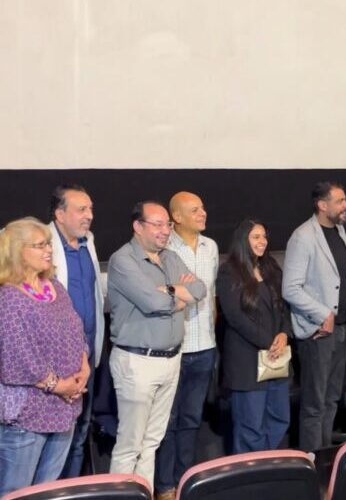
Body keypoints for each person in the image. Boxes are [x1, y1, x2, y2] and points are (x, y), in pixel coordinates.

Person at [107, 201, 206, 487]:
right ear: (138, 226)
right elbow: (153, 302)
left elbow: (200, 288)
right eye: (158, 224)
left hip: (170, 360)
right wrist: (180, 298)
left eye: (168, 225)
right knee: (130, 445)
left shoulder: (170, 257)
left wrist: (170, 289)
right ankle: (120, 494)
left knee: (152, 442)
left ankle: (143, 493)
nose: (165, 231)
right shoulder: (123, 260)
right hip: (137, 361)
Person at [0, 217, 90, 495]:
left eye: (48, 244)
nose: (48, 250)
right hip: (28, 414)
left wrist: (83, 367)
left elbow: (77, 330)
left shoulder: (55, 287)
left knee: (48, 491)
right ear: (17, 251)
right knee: (16, 492)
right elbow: (16, 356)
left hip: (65, 408)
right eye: (39, 245)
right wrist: (59, 386)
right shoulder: (8, 297)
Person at [154, 192, 219, 500]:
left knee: (192, 419)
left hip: (205, 345)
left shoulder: (211, 247)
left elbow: (211, 293)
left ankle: (184, 480)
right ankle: (164, 485)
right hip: (174, 347)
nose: (202, 213)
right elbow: (164, 294)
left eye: (203, 208)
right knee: (167, 421)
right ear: (176, 217)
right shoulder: (164, 248)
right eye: (195, 210)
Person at [282, 181, 346, 452]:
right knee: (314, 404)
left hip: (342, 328)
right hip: (318, 332)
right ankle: (311, 461)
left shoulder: (340, 231)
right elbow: (290, 288)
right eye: (340, 201)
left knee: (331, 399)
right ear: (322, 205)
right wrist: (324, 313)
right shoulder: (303, 237)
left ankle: (325, 458)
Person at [217, 220, 292, 452]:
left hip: (276, 360)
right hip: (247, 362)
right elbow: (235, 316)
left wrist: (284, 334)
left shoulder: (271, 268)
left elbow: (284, 307)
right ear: (243, 241)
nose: (263, 242)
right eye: (256, 237)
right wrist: (268, 341)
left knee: (279, 418)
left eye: (264, 237)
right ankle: (252, 470)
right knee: (250, 427)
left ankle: (271, 467)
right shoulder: (229, 272)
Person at [46, 185, 105, 479]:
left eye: (90, 209)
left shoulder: (87, 243)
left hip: (87, 356)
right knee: (53, 441)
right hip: (55, 363)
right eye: (81, 209)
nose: (89, 215)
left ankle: (73, 489)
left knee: (81, 432)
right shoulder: (41, 246)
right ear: (59, 214)